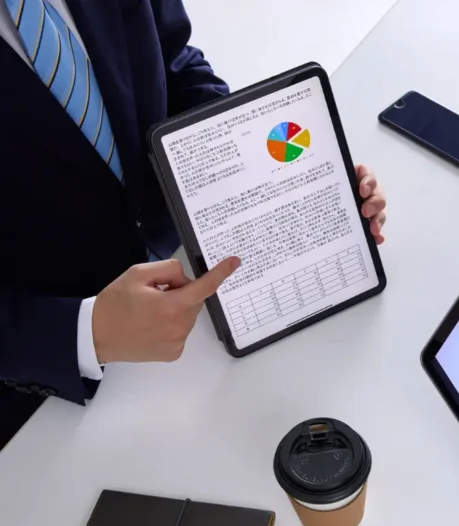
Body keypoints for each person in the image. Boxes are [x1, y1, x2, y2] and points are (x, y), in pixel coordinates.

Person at [0, 0, 388, 448]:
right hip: (52, 406)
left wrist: (283, 179)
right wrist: (84, 332)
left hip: (194, 273)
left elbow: (173, 62)